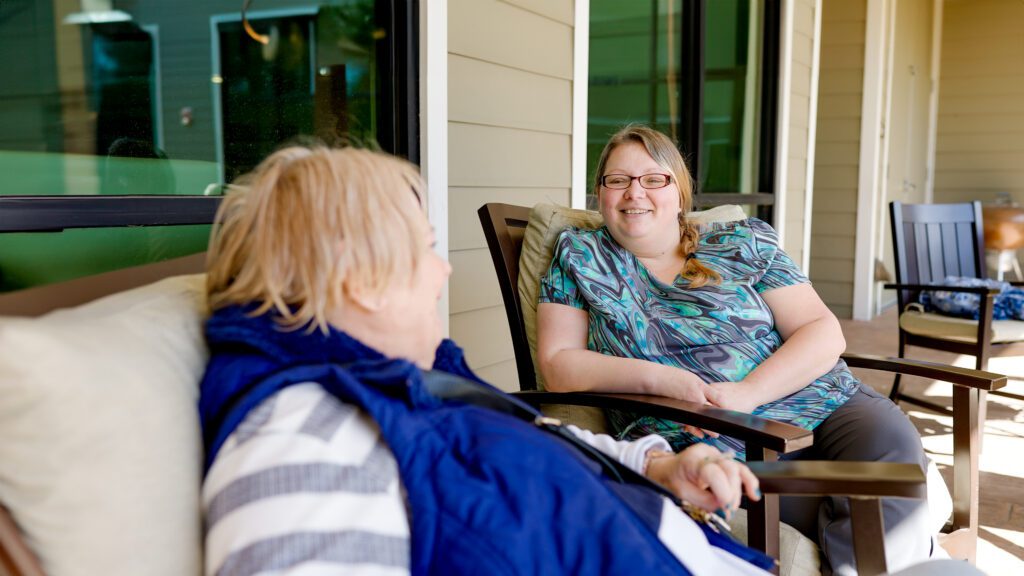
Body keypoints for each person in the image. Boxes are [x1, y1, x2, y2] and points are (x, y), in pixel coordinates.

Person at [197, 145, 772, 576]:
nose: (444, 272)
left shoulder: (406, 384)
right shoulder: (306, 445)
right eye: (425, 249)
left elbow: (535, 442)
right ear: (359, 279)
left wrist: (655, 467)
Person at [535, 125, 946, 575]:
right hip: (707, 435)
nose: (636, 193)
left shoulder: (741, 242)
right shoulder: (581, 257)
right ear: (601, 193)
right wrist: (666, 380)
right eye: (618, 180)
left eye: (654, 179)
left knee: (891, 453)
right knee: (867, 510)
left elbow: (822, 331)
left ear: (680, 192)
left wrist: (747, 392)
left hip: (825, 404)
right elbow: (559, 364)